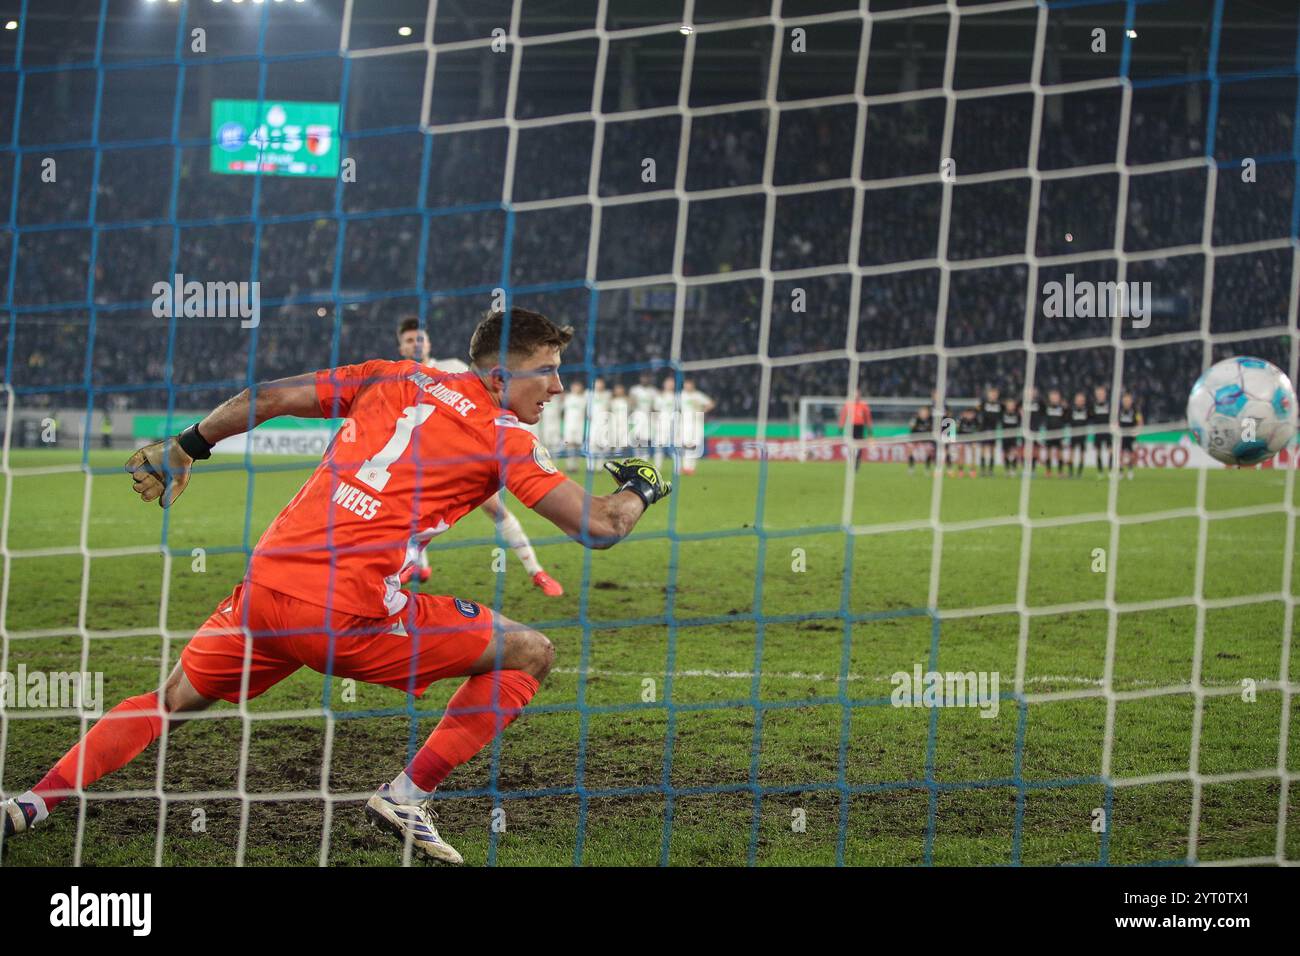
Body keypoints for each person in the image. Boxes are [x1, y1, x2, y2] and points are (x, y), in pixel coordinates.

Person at [2, 308, 672, 865]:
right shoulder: (505, 438)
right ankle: (406, 796)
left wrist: (184, 448)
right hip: (347, 619)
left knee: (169, 698)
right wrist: (642, 485)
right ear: (500, 372)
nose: (557, 385)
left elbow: (265, 398)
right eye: (547, 370)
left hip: (266, 590)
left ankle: (31, 804)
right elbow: (602, 526)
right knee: (530, 651)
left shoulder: (389, 375)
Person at [396, 317, 563, 597]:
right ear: (400, 348)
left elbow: (488, 397)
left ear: (429, 342)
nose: (416, 344)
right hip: (424, 464)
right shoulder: (399, 377)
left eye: (420, 338)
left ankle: (537, 571)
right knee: (407, 512)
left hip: (469, 459)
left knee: (496, 511)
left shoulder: (451, 368)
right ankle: (416, 565)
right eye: (409, 340)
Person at [678, 378, 715, 476]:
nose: (688, 386)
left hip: (697, 423)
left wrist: (702, 410)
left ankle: (692, 468)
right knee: (686, 445)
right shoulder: (681, 395)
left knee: (694, 446)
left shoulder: (698, 395)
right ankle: (685, 467)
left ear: (693, 385)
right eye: (686, 384)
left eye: (689, 384)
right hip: (685, 424)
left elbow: (711, 404)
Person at [839, 389, 873, 472]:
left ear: (859, 396)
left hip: (860, 427)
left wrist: (869, 430)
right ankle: (851, 461)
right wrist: (841, 427)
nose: (856, 397)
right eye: (854, 395)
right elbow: (843, 416)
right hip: (851, 427)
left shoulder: (864, 406)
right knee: (851, 445)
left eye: (857, 395)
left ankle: (857, 462)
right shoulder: (848, 405)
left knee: (859, 446)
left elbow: (868, 418)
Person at [1117, 390, 1142, 479]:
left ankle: (1130, 470)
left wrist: (1137, 431)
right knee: (1120, 454)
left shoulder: (1135, 410)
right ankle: (1120, 471)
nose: (1126, 402)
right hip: (1122, 435)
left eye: (1128, 400)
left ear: (1131, 401)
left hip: (1131, 435)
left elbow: (1140, 421)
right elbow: (1115, 421)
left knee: (1132, 454)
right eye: (1125, 400)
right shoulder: (1119, 410)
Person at [978, 386, 1002, 477]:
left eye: (995, 394)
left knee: (992, 450)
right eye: (991, 394)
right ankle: (982, 470)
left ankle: (990, 470)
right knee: (983, 449)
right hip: (984, 429)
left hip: (994, 430)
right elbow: (978, 412)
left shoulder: (1000, 405)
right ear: (988, 394)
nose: (993, 395)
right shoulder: (983, 403)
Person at [1043, 388, 1067, 477]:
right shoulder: (1046, 407)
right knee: (1048, 452)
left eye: (1056, 397)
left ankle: (1060, 472)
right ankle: (1048, 471)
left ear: (1059, 398)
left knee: (1060, 453)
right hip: (1049, 433)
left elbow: (1066, 419)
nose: (1054, 399)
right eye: (1052, 397)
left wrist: (1066, 408)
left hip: (1059, 433)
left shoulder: (1062, 408)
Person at [1090, 384, 1112, 476]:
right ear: (1096, 395)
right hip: (1097, 431)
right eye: (1098, 394)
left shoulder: (1109, 405)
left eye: (1102, 393)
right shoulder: (1093, 405)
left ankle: (1111, 470)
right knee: (1098, 451)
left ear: (1105, 394)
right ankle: (1100, 471)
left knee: (1111, 450)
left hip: (1107, 431)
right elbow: (1090, 416)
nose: (1100, 395)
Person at [1068, 390, 1090, 478]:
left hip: (1083, 435)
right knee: (1071, 453)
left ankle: (1079, 473)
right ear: (1075, 400)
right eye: (1078, 399)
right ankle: (1070, 472)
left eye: (1081, 400)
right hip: (1073, 434)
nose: (1080, 401)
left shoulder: (1087, 410)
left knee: (1082, 454)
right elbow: (1068, 419)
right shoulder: (1071, 409)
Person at [908, 404, 935, 474]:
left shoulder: (931, 420)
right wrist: (912, 424)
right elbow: (910, 426)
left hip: (926, 438)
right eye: (921, 412)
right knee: (910, 449)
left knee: (929, 451)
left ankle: (927, 468)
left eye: (924, 412)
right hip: (915, 437)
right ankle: (911, 467)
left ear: (928, 413)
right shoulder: (915, 419)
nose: (923, 413)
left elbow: (933, 429)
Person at [1000, 397, 1022, 476]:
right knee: (1005, 453)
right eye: (1009, 405)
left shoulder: (1017, 414)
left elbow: (1020, 423)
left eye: (1012, 405)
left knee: (1014, 453)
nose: (1010, 406)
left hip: (1013, 436)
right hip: (1005, 436)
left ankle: (1013, 469)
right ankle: (1007, 470)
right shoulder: (1002, 413)